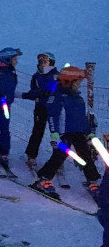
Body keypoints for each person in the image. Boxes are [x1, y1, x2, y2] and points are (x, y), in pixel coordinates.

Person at [31, 66, 101, 198]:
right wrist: (54, 134)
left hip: (78, 132)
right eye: (78, 82)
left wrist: (89, 133)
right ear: (69, 82)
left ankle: (92, 180)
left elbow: (83, 118)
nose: (79, 85)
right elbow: (53, 116)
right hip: (65, 133)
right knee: (59, 156)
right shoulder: (57, 97)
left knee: (85, 155)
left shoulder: (78, 98)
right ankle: (43, 179)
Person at [21, 52, 59, 168]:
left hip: (54, 107)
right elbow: (32, 92)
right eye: (40, 59)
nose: (42, 61)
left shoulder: (57, 75)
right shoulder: (36, 76)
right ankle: (31, 155)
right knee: (38, 130)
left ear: (51, 61)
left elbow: (61, 90)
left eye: (45, 60)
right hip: (41, 107)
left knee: (56, 133)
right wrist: (40, 93)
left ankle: (58, 158)